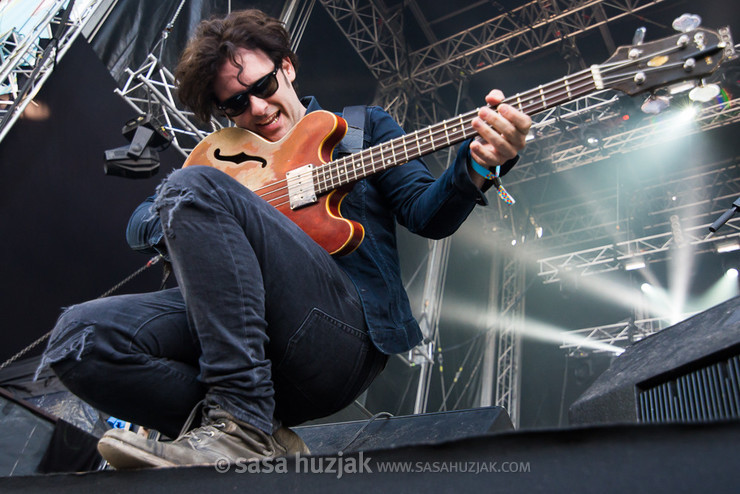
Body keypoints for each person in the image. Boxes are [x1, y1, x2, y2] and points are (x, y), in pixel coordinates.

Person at [38, 9, 531, 469]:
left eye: (264, 85)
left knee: (193, 188)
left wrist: (479, 164)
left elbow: (428, 214)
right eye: (236, 103)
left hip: (337, 335)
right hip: (241, 345)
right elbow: (137, 226)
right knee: (77, 340)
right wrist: (230, 203)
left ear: (287, 68)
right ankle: (254, 432)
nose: (256, 106)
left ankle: (242, 423)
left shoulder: (360, 130)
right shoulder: (219, 162)